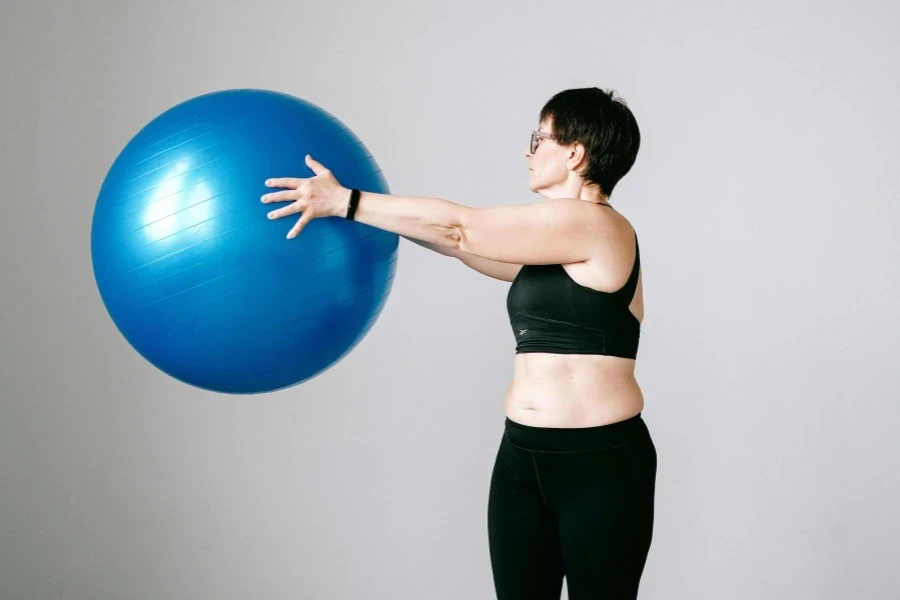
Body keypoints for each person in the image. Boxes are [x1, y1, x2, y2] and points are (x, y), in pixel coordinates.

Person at [262, 87, 657, 599]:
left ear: (575, 153)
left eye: (539, 137)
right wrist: (366, 215)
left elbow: (462, 229)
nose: (528, 150)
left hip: (599, 465)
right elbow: (457, 246)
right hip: (522, 458)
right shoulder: (551, 246)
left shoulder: (599, 227)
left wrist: (347, 201)